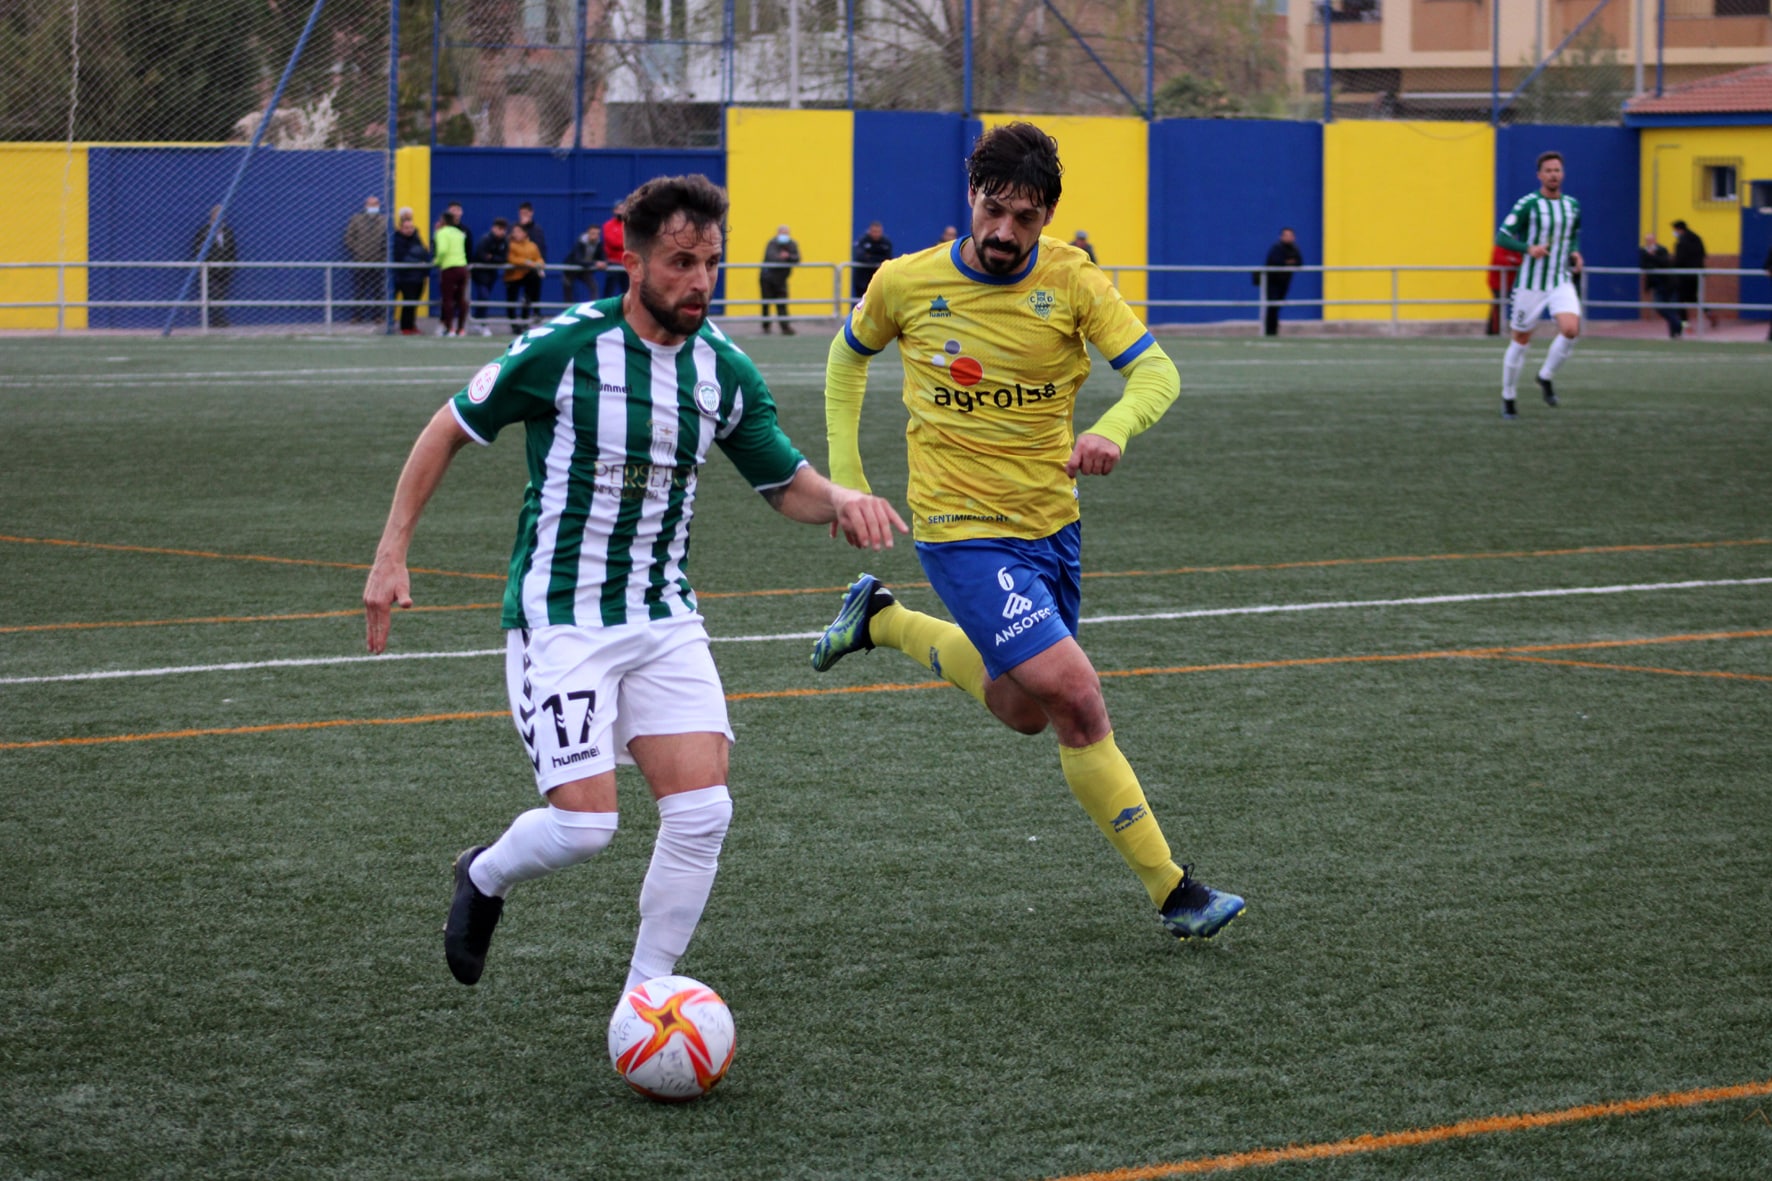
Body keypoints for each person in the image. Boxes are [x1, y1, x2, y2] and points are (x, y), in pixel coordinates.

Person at [362, 173, 907, 994]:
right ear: (636, 260)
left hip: (664, 616)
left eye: (711, 263)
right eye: (681, 261)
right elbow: (449, 427)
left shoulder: (721, 369)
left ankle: (648, 992)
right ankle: (482, 874)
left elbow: (782, 480)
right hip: (561, 617)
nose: (698, 281)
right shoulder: (564, 350)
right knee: (585, 826)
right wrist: (391, 552)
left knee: (703, 812)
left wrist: (840, 500)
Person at [809, 121, 1246, 943]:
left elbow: (1157, 370)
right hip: (960, 531)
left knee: (1024, 710)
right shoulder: (906, 283)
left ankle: (882, 620)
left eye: (1024, 216)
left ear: (1046, 216)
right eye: (992, 209)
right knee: (1078, 700)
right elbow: (844, 357)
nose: (1004, 231)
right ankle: (1174, 888)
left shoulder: (1074, 283)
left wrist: (1115, 426)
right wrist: (847, 484)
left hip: (1051, 526)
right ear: (968, 199)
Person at [1495, 150, 1582, 419]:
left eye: (1557, 170)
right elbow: (1502, 237)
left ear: (1562, 174)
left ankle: (1545, 376)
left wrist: (1576, 252)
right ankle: (1508, 396)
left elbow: (1573, 235)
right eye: (1548, 171)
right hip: (1531, 284)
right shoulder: (1528, 204)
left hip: (1559, 280)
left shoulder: (1572, 205)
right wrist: (1527, 248)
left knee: (1570, 329)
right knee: (1521, 340)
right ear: (1539, 175)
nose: (1553, 175)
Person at [188, 204, 238, 328]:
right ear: (212, 216)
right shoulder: (204, 232)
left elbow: (232, 250)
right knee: (214, 293)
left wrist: (230, 265)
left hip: (224, 270)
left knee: (221, 294)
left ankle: (218, 319)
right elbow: (197, 249)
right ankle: (217, 320)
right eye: (217, 215)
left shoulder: (228, 232)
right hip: (210, 270)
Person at [345, 195, 388, 324]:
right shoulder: (356, 219)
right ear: (365, 206)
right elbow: (348, 237)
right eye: (370, 204)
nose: (373, 207)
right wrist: (358, 250)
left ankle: (378, 316)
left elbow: (388, 239)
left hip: (378, 260)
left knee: (377, 290)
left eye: (375, 204)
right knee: (360, 289)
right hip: (361, 260)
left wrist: (383, 254)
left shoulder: (384, 220)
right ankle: (357, 316)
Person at [391, 208, 432, 336]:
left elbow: (424, 252)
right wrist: (416, 261)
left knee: (415, 302)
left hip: (419, 276)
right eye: (406, 228)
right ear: (401, 228)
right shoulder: (397, 240)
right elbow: (402, 256)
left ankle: (412, 325)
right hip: (406, 277)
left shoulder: (416, 238)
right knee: (408, 302)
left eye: (411, 227)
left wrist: (423, 265)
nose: (409, 230)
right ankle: (405, 326)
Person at [1256, 227, 1303, 337]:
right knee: (1272, 305)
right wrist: (1288, 262)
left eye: (1290, 235)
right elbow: (1276, 262)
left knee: (1277, 306)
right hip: (1272, 282)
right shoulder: (1276, 248)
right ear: (1281, 237)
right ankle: (1269, 331)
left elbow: (1299, 262)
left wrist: (1287, 262)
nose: (1288, 237)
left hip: (1285, 282)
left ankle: (1274, 329)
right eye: (1286, 235)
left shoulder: (1295, 248)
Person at [1671, 220, 1716, 331]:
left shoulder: (1681, 242)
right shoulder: (1697, 238)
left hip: (1684, 275)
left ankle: (1685, 325)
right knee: (1693, 297)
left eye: (1675, 230)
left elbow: (1679, 260)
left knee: (1680, 300)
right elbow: (1704, 254)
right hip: (1697, 274)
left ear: (1679, 229)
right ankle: (1708, 311)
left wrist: (1671, 266)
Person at [470, 218, 510, 336]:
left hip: (492, 274)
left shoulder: (504, 242)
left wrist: (492, 258)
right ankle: (482, 323)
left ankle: (478, 320)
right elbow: (481, 255)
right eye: (499, 229)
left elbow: (503, 258)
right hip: (480, 273)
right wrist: (493, 258)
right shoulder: (485, 239)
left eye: (503, 229)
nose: (501, 232)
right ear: (493, 228)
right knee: (483, 296)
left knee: (484, 298)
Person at [432, 210, 469, 337]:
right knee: (461, 299)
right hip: (462, 267)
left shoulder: (441, 233)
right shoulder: (459, 233)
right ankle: (461, 328)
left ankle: (450, 328)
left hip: (449, 268)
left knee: (447, 299)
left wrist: (437, 261)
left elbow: (442, 250)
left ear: (443, 221)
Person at [502, 223, 545, 332]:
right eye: (514, 231)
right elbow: (511, 259)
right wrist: (528, 262)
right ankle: (514, 325)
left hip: (526, 276)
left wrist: (539, 264)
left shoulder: (532, 245)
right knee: (511, 300)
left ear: (525, 233)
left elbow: (539, 258)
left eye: (519, 231)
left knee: (528, 297)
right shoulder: (510, 244)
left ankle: (525, 321)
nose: (516, 234)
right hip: (513, 276)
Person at [759, 224, 800, 334]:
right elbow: (771, 257)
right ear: (778, 233)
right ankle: (766, 326)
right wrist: (785, 258)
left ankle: (785, 327)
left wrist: (788, 256)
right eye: (782, 233)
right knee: (766, 303)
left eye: (786, 233)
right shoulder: (772, 243)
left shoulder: (792, 244)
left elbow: (797, 258)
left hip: (781, 280)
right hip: (767, 279)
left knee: (782, 303)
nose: (784, 236)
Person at [1638, 233, 1681, 339]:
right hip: (1657, 285)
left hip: (1669, 283)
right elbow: (1644, 265)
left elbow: (1665, 262)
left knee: (1672, 307)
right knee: (1660, 307)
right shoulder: (1643, 251)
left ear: (1655, 240)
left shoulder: (1662, 250)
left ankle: (1674, 333)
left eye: (1650, 240)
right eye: (1647, 240)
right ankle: (1678, 324)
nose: (1649, 242)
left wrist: (1653, 256)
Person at [562, 224, 606, 306]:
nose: (595, 236)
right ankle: (568, 311)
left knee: (594, 286)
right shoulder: (580, 243)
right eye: (593, 233)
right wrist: (595, 263)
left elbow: (603, 257)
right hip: (571, 270)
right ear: (588, 233)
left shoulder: (599, 244)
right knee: (568, 288)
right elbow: (578, 260)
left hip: (585, 270)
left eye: (597, 234)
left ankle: (594, 308)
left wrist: (604, 263)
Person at [1485, 243, 1523, 336]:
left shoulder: (1515, 249)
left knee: (1501, 306)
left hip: (1508, 283)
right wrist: (1512, 262)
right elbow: (1500, 261)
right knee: (1498, 306)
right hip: (1496, 283)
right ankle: (1493, 331)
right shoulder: (1500, 247)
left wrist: (1512, 261)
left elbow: (1521, 261)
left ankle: (1497, 330)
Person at [851, 220, 893, 302]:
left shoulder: (886, 243)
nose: (876, 234)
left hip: (879, 279)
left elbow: (888, 258)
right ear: (870, 231)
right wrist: (877, 259)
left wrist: (871, 257)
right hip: (863, 279)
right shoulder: (863, 241)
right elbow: (860, 257)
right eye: (874, 231)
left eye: (878, 232)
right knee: (861, 302)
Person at [601, 204, 630, 298]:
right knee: (609, 291)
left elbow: (634, 241)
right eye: (619, 209)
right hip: (613, 263)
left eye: (624, 208)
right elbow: (612, 242)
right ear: (614, 210)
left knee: (628, 290)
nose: (621, 211)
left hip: (627, 263)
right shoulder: (608, 225)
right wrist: (626, 244)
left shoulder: (630, 225)